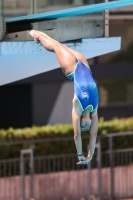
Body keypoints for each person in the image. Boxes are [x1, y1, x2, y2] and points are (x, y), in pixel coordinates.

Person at [29, 30, 99, 165]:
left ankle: (38, 35)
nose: (84, 128)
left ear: (79, 121)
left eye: (81, 127)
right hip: (84, 64)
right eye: (86, 128)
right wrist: (90, 155)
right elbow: (93, 135)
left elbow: (77, 135)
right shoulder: (94, 111)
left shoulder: (77, 107)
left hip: (72, 69)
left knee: (57, 47)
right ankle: (40, 36)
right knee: (59, 46)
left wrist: (80, 155)